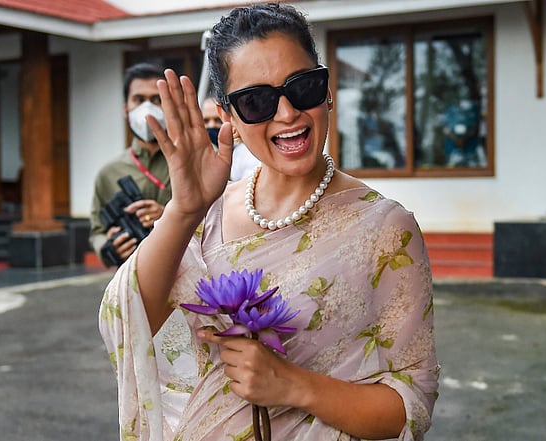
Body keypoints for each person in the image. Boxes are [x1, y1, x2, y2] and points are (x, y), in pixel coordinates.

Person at [99, 4, 439, 440]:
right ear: (228, 117)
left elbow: (411, 405)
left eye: (303, 87)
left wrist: (294, 385)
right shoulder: (208, 215)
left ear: (327, 91)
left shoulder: (386, 229)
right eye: (256, 100)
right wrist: (183, 211)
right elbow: (128, 321)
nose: (287, 113)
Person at [89, 62, 172, 267]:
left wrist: (169, 216)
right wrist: (109, 247)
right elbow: (97, 231)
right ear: (126, 109)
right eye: (139, 100)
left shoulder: (193, 161)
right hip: (131, 276)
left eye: (156, 99)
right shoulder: (109, 173)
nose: (147, 108)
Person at [202, 95, 260, 181]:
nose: (212, 125)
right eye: (206, 121)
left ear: (228, 119)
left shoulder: (246, 154)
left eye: (217, 120)